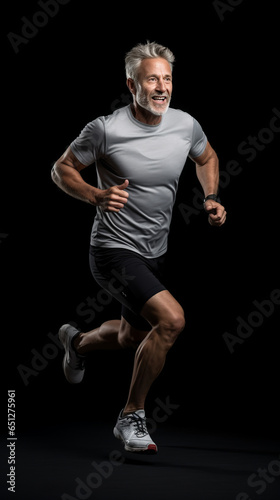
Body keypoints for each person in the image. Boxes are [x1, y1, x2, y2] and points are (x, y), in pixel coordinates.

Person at [51, 41, 226, 455]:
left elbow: (206, 157)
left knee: (133, 337)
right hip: (112, 249)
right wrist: (95, 195)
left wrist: (210, 198)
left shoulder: (185, 124)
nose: (162, 87)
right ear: (132, 85)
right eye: (152, 79)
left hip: (155, 251)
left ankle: (75, 344)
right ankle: (131, 416)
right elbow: (61, 169)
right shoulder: (106, 128)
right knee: (172, 321)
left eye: (167, 78)